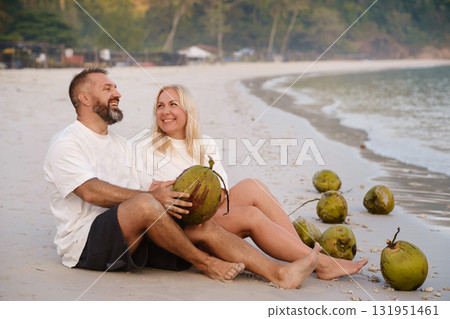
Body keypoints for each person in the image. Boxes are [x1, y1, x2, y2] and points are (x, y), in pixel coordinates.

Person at [44, 68, 322, 290]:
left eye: (116, 87)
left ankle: (281, 272)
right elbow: (90, 191)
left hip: (134, 231)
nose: (117, 93)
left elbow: (141, 187)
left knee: (203, 225)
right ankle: (207, 263)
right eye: (108, 88)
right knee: (146, 204)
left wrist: (158, 189)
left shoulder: (120, 145)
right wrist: (151, 196)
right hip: (85, 243)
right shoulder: (68, 142)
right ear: (84, 98)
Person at [145, 84, 368, 280]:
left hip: (208, 212)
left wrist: (203, 191)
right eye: (160, 106)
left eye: (173, 104)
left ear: (187, 110)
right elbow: (146, 196)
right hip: (180, 227)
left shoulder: (205, 144)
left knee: (253, 186)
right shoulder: (147, 147)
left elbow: (221, 194)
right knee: (250, 215)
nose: (165, 111)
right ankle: (323, 264)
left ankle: (302, 255)